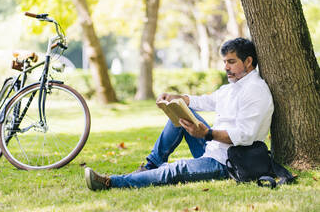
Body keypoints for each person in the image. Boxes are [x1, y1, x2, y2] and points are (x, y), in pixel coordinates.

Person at [84, 37, 274, 191]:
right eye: (225, 62)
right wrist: (177, 99)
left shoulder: (255, 91)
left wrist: (206, 133)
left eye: (231, 62)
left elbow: (245, 136)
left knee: (175, 169)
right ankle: (149, 167)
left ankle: (111, 182)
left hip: (229, 162)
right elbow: (207, 101)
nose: (226, 67)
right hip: (213, 149)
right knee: (182, 116)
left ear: (248, 61)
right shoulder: (233, 87)